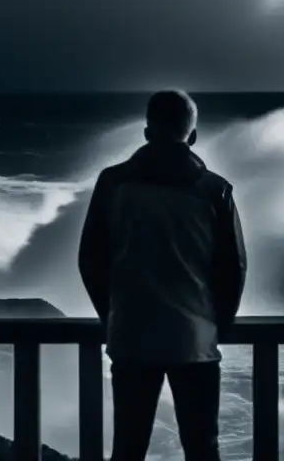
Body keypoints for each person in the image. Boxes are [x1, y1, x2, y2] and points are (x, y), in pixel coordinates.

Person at [78, 89, 247, 461]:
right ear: (193, 136)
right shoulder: (214, 190)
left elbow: (90, 259)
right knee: (203, 449)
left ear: (146, 132)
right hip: (195, 340)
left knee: (128, 447)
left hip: (131, 337)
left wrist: (112, 318)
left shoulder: (113, 183)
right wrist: (218, 323)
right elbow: (233, 268)